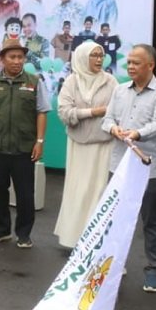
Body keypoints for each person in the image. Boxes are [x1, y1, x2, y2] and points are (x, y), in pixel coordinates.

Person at [101, 44, 156, 292]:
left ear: (150, 66)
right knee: (116, 217)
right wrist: (113, 129)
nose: (130, 66)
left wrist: (136, 133)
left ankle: (155, 270)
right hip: (119, 165)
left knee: (150, 219)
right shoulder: (120, 90)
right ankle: (113, 263)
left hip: (148, 167)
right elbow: (107, 119)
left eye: (136, 63)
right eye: (129, 62)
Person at [0, 36, 50, 247]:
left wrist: (40, 141)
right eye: (12, 57)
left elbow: (42, 113)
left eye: (21, 57)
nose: (17, 61)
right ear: (2, 59)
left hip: (23, 148)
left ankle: (24, 234)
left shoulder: (34, 82)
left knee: (26, 194)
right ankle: (0, 230)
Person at [54, 41, 118, 248]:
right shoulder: (72, 81)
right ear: (82, 58)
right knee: (78, 191)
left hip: (103, 146)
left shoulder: (110, 82)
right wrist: (93, 112)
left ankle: (98, 242)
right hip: (78, 146)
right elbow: (64, 112)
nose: (99, 59)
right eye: (94, 55)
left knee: (99, 192)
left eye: (101, 55)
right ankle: (74, 239)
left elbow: (117, 111)